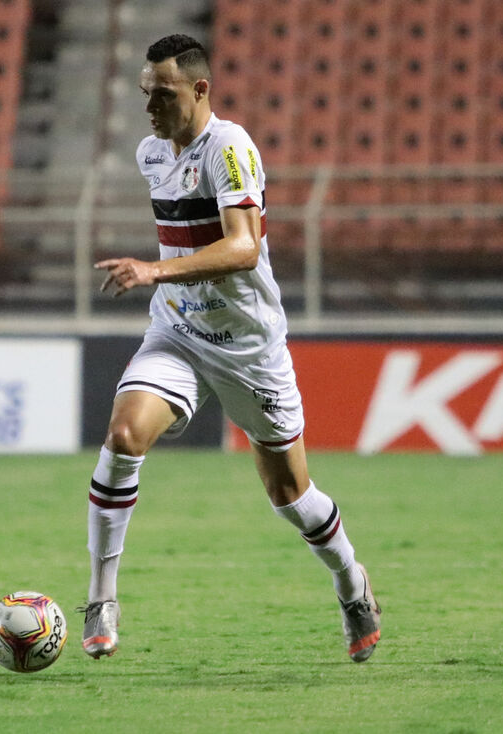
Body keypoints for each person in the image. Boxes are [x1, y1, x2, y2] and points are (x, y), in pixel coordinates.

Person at [81, 35, 381, 663]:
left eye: (161, 95)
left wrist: (154, 271)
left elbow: (244, 247)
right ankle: (102, 596)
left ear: (199, 90)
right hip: (178, 333)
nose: (150, 108)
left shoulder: (232, 148)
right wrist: (162, 282)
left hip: (249, 347)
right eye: (144, 95)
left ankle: (351, 580)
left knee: (291, 496)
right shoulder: (149, 153)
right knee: (124, 436)